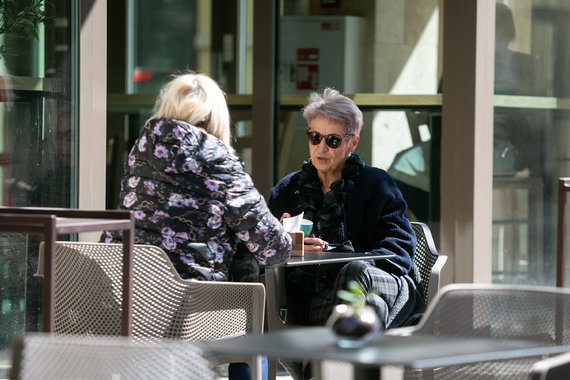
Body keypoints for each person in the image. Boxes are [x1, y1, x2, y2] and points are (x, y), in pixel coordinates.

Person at [102, 73, 291, 379]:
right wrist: (286, 237)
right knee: (252, 331)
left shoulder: (142, 150)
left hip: (127, 308)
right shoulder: (219, 160)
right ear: (216, 116)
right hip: (187, 315)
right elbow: (273, 250)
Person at [268, 88, 425, 378]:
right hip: (327, 300)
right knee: (363, 304)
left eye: (333, 140)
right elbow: (260, 247)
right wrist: (285, 243)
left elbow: (400, 253)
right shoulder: (288, 190)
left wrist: (337, 254)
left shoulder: (376, 184)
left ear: (352, 142)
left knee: (355, 274)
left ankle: (326, 371)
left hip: (387, 286)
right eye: (314, 137)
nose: (321, 148)